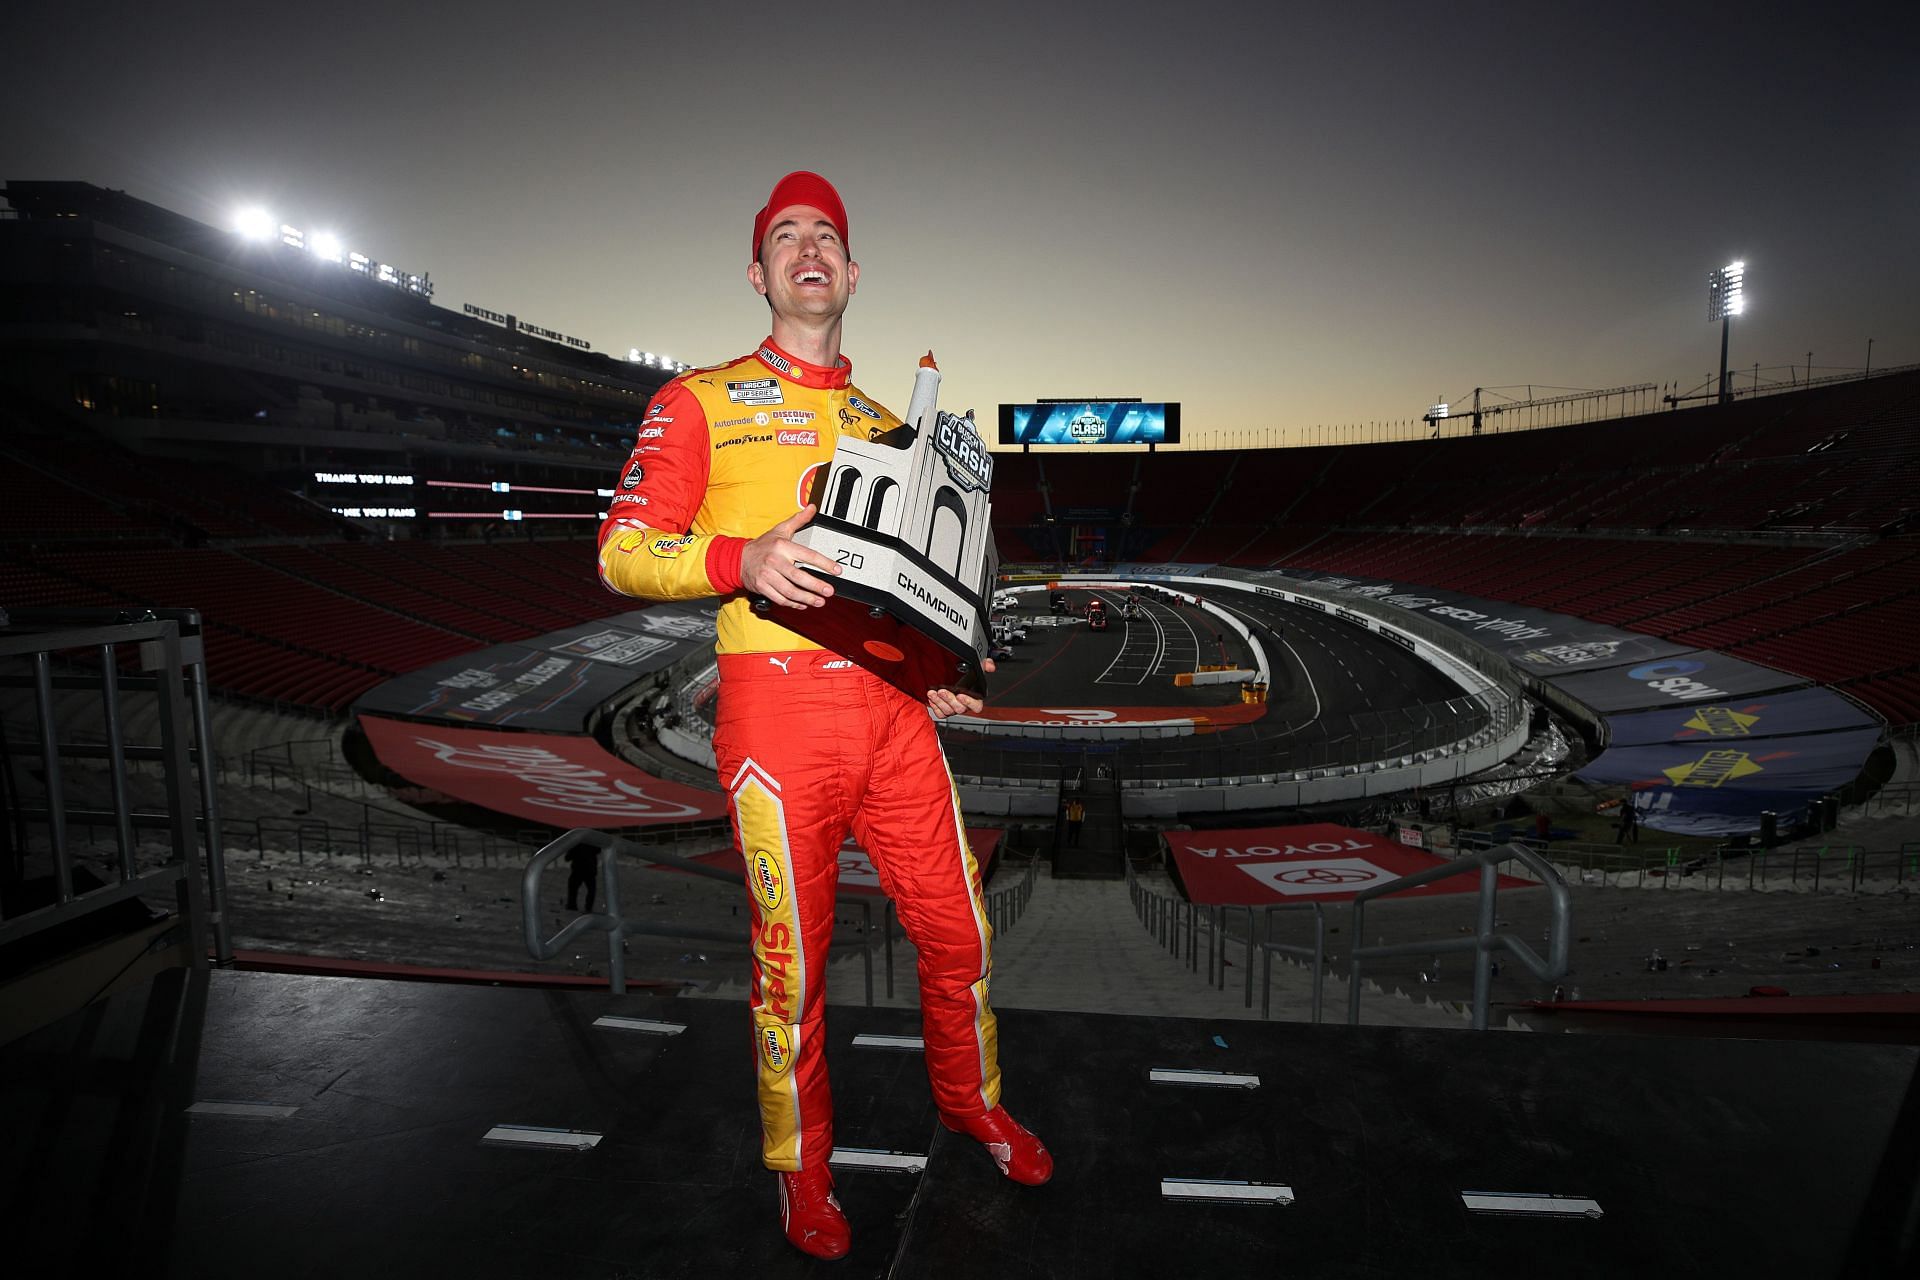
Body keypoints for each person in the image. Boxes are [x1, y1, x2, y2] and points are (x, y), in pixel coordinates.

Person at [595, 172, 1049, 1261]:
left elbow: (921, 594)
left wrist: (945, 667)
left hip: (895, 716)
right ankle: (802, 1170)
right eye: (786, 236)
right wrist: (737, 558)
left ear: (852, 273)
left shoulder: (897, 428)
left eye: (829, 237)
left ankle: (970, 1101)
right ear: (758, 273)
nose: (810, 248)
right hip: (777, 716)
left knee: (961, 934)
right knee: (791, 967)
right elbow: (619, 550)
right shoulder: (696, 399)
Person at [564, 845, 598, 913]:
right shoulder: (591, 844)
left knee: (573, 888)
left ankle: (572, 905)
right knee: (591, 889)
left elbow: (567, 858)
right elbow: (598, 850)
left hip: (578, 870)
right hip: (589, 870)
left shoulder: (576, 845)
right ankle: (588, 907)